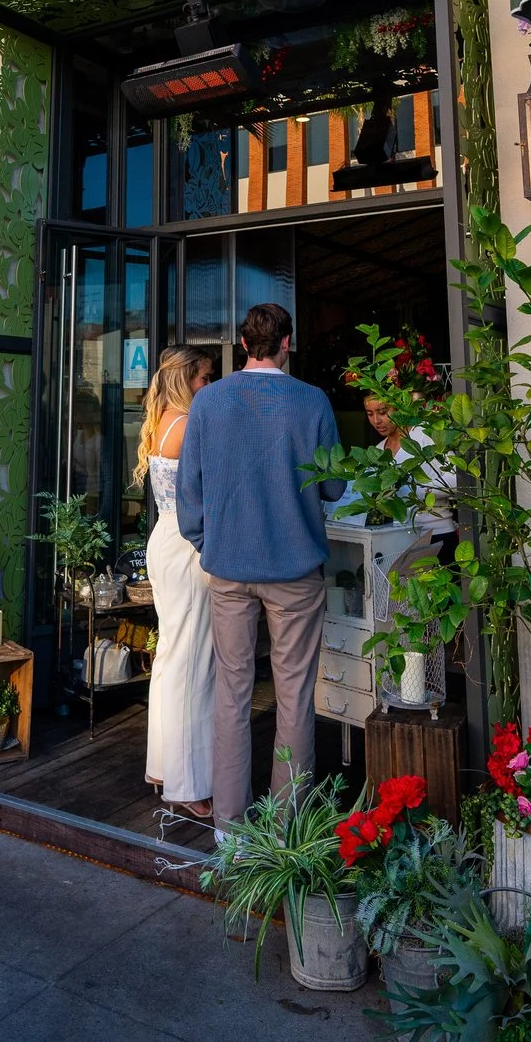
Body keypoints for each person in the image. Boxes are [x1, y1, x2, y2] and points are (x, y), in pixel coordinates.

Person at [178, 302, 345, 830]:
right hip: (294, 569)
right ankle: (285, 828)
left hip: (228, 569)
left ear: (244, 345)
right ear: (286, 344)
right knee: (294, 695)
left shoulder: (209, 402)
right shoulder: (312, 401)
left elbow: (189, 493)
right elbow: (336, 486)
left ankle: (228, 827)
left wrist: (210, 542)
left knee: (233, 692)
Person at [138, 345, 217, 819]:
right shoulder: (188, 426)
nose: (209, 386)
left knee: (171, 658)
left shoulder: (163, 418)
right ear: (187, 377)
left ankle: (165, 766)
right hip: (188, 545)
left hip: (165, 539)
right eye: (205, 377)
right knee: (192, 663)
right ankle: (186, 786)